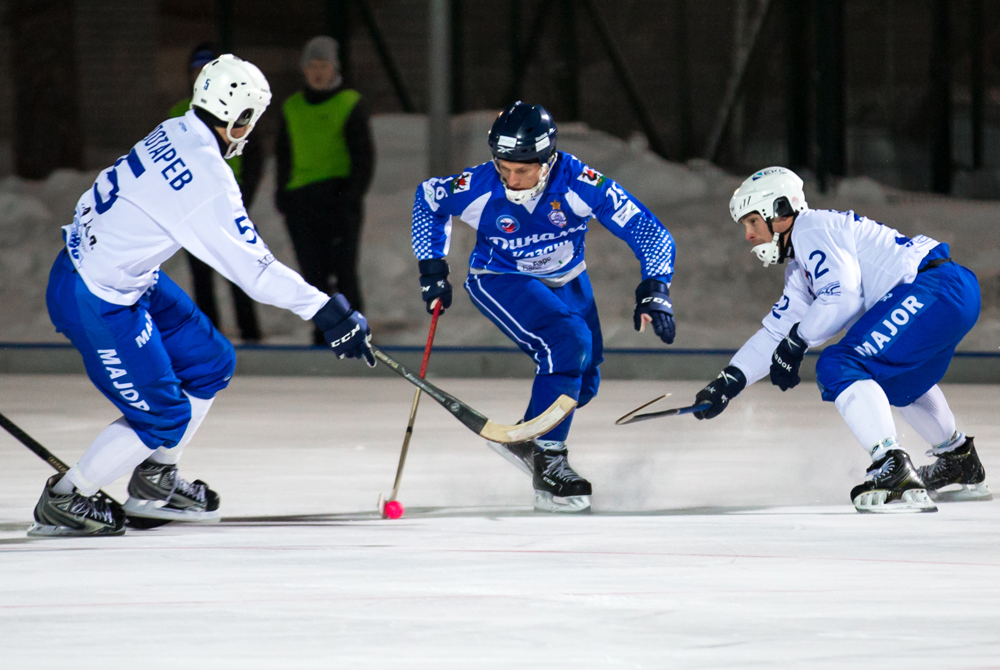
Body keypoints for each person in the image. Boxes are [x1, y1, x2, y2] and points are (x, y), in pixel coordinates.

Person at [30, 55, 375, 537]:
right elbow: (255, 273)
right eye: (252, 119)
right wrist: (328, 311)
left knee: (210, 360)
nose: (252, 130)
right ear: (237, 118)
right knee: (162, 414)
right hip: (96, 296)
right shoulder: (208, 179)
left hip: (123, 277)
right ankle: (68, 498)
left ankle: (155, 480)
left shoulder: (175, 129)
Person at [411, 101, 677, 513]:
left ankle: (529, 441)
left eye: (523, 170)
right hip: (500, 278)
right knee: (568, 341)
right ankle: (549, 460)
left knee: (583, 381)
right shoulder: (481, 184)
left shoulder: (581, 183)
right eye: (505, 168)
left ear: (548, 160)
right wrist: (432, 268)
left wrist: (655, 285)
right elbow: (429, 198)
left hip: (567, 279)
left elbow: (648, 229)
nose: (512, 180)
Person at [692, 166, 989, 513]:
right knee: (896, 381)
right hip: (950, 290)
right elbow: (777, 330)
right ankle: (959, 461)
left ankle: (891, 467)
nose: (748, 235)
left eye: (752, 222)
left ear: (781, 211)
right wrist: (730, 379)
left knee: (840, 363)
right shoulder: (802, 262)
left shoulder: (811, 230)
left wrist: (798, 341)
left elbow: (843, 296)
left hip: (936, 289)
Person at [275, 35, 374, 345]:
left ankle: (355, 334)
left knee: (343, 273)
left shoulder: (350, 103)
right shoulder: (291, 107)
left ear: (335, 69)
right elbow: (283, 154)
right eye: (312, 66)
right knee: (313, 276)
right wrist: (283, 194)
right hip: (302, 202)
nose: (318, 72)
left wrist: (351, 197)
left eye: (324, 65)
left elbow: (364, 157)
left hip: (339, 199)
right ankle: (322, 335)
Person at [169, 42, 262, 343]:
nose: (200, 77)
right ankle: (210, 338)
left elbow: (255, 156)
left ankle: (250, 334)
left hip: (228, 203)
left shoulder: (239, 108)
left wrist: (242, 196)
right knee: (201, 277)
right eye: (196, 71)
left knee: (239, 270)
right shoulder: (177, 112)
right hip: (193, 207)